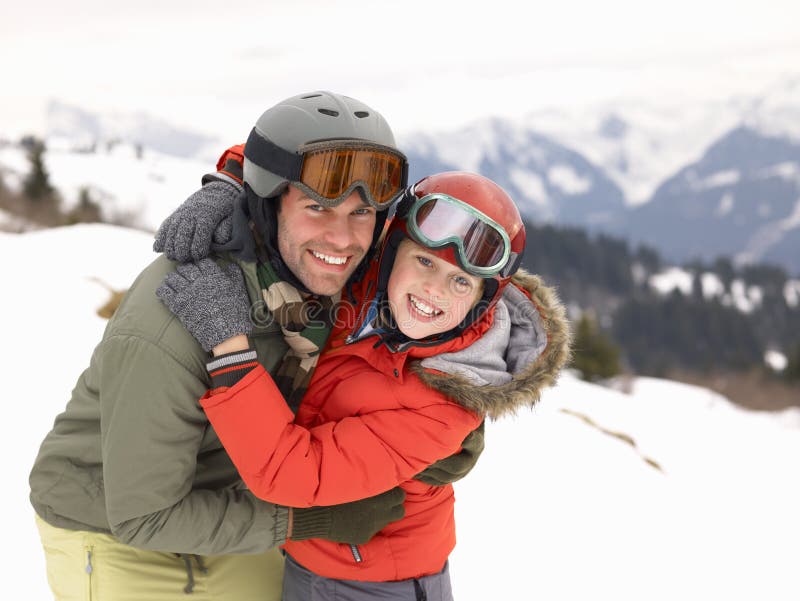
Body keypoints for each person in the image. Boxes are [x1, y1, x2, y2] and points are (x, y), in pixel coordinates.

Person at [28, 92, 484, 601]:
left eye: (362, 213)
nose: (342, 238)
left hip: (239, 497)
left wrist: (452, 411)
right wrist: (308, 518)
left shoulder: (342, 274)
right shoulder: (176, 320)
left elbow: (470, 280)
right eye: (317, 207)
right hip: (117, 528)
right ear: (268, 205)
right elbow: (143, 516)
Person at [158, 171, 571, 601]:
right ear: (390, 252)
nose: (434, 290)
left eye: (461, 281)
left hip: (374, 585)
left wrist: (229, 345)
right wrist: (225, 187)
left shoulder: (443, 407)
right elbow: (297, 161)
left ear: (482, 300)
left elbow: (292, 473)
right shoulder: (363, 280)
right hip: (310, 561)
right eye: (425, 261)